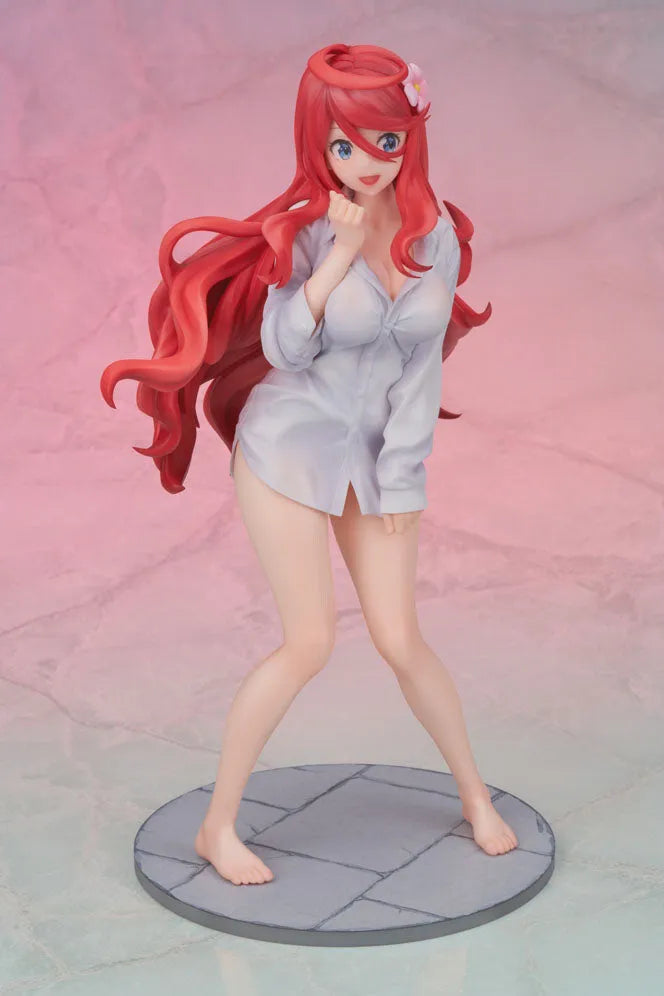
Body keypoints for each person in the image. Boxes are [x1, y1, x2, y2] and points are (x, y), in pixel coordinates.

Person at [100, 43, 517, 887]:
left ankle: (474, 796)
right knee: (310, 642)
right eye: (343, 144)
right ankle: (218, 826)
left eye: (385, 142)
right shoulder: (303, 231)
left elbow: (421, 368)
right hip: (288, 450)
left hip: (375, 459)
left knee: (401, 638)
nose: (366, 162)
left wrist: (403, 473)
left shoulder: (434, 234)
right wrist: (335, 258)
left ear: (410, 138)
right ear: (317, 142)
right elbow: (288, 347)